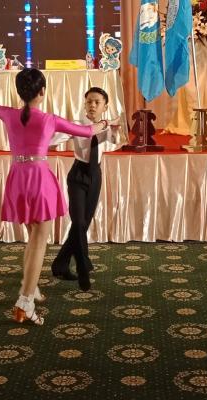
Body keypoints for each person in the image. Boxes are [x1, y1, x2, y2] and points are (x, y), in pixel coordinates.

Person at [0, 69, 116, 326]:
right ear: (42, 92)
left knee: (32, 238)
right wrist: (105, 124)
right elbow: (87, 131)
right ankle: (25, 302)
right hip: (39, 180)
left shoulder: (9, 114)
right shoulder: (48, 119)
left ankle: (30, 288)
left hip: (17, 180)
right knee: (39, 242)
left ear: (20, 92)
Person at [50, 87, 123, 291]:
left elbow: (115, 141)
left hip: (95, 175)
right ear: (84, 104)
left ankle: (60, 264)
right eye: (89, 101)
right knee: (79, 222)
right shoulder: (77, 125)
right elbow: (54, 140)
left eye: (97, 102)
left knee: (82, 225)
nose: (92, 105)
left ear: (105, 107)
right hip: (78, 175)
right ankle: (83, 267)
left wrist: (115, 129)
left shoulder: (105, 125)